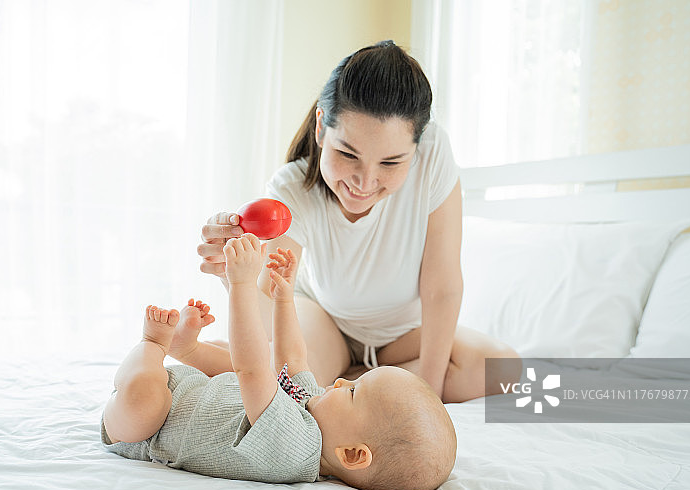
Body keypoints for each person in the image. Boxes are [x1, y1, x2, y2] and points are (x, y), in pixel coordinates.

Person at [197, 40, 520, 402]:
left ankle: (352, 381)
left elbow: (442, 286)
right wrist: (233, 279)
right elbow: (269, 303)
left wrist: (427, 393)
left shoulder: (433, 153)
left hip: (400, 336)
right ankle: (343, 380)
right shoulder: (290, 188)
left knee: (505, 371)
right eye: (348, 154)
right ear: (321, 128)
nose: (364, 183)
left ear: (416, 148)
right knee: (287, 379)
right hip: (323, 321)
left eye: (390, 163)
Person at [101, 234, 457, 490]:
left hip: (146, 428)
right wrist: (284, 295)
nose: (339, 383)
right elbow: (290, 359)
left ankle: (152, 345)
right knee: (265, 373)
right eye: (352, 382)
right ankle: (187, 349)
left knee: (147, 400)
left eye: (351, 393)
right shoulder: (313, 407)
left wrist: (242, 285)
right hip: (190, 389)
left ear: (351, 454)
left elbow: (252, 369)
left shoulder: (296, 448)